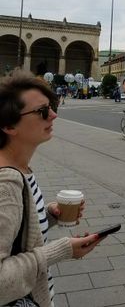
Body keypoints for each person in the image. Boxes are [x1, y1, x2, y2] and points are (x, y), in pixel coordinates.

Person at [0, 71, 103, 307]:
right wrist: (62, 250)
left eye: (52, 107)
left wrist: (46, 215)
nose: (54, 115)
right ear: (9, 126)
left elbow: (13, 231)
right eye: (42, 111)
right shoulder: (5, 184)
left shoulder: (21, 167)